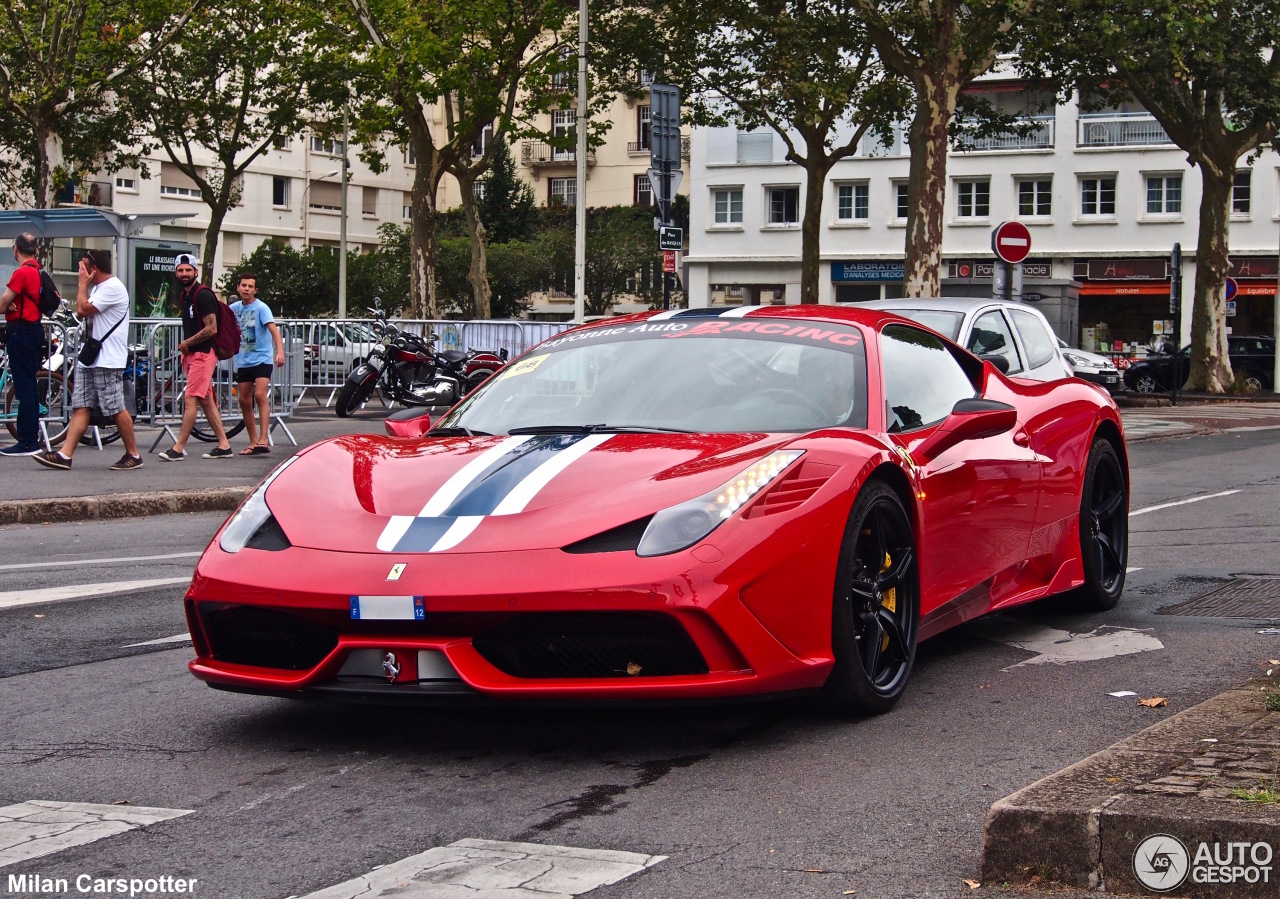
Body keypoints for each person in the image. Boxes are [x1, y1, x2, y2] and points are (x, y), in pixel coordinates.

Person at [33, 250, 142, 471]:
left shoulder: (113, 288)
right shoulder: (99, 288)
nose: (80, 271)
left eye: (83, 267)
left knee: (115, 407)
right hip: (90, 358)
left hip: (107, 360)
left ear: (94, 269)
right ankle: (65, 455)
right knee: (81, 406)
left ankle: (133, 453)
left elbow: (82, 309)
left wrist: (82, 283)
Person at [158, 255, 232, 461]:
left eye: (188, 270)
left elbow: (212, 328)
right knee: (206, 400)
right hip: (193, 354)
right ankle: (224, 445)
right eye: (180, 271)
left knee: (190, 399)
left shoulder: (203, 295)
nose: (184, 274)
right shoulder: (185, 296)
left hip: (203, 354)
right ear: (176, 273)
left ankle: (178, 448)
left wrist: (188, 343)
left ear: (196, 272)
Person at [228, 272, 284, 454]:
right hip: (243, 359)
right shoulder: (234, 308)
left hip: (262, 358)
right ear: (238, 287)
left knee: (260, 395)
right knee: (244, 400)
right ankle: (253, 442)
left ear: (255, 290)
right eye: (244, 285)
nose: (246, 289)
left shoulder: (262, 308)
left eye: (250, 286)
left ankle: (263, 439)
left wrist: (279, 352)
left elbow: (274, 331)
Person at [0, 233, 46, 456]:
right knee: (30, 386)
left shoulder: (22, 272)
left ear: (16, 249)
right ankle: (31, 439)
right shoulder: (37, 271)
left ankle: (27, 441)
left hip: (21, 332)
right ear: (35, 250)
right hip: (34, 329)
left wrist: (7, 305)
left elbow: (2, 304)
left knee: (24, 387)